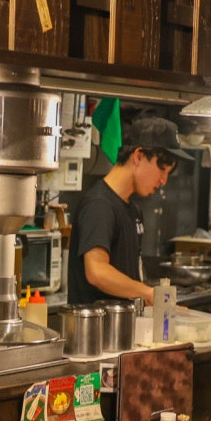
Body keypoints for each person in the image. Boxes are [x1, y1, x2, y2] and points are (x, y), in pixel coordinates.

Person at [67, 116, 193, 305]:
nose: (163, 181)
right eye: (162, 170)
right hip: (97, 331)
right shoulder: (99, 205)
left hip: (123, 328)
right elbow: (97, 272)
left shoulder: (132, 209)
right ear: (138, 156)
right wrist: (148, 293)